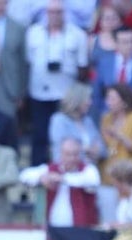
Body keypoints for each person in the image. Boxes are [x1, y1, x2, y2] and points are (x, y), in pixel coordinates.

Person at [25, 0, 89, 167]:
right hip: (39, 93)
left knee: (64, 134)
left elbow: (82, 67)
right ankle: (37, 172)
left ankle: (63, 168)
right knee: (39, 134)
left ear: (64, 13)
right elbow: (28, 61)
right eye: (51, 12)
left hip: (65, 94)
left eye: (58, 12)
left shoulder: (77, 34)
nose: (54, 16)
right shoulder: (33, 32)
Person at [18, 136, 100, 227]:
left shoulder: (88, 169)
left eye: (75, 154)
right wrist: (42, 178)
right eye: (68, 154)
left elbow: (93, 180)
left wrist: (62, 178)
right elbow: (24, 175)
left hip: (81, 229)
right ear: (61, 154)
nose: (72, 158)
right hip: (54, 228)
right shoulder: (52, 169)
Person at [99, 83, 132, 225]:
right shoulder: (106, 118)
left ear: (124, 101)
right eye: (107, 98)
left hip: (130, 179)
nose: (108, 102)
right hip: (109, 177)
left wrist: (118, 135)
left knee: (131, 219)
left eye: (112, 98)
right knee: (110, 219)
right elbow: (106, 146)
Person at [92, 25, 132, 122]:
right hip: (109, 117)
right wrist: (104, 112)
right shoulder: (104, 64)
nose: (130, 45)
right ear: (116, 43)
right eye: (125, 42)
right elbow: (97, 93)